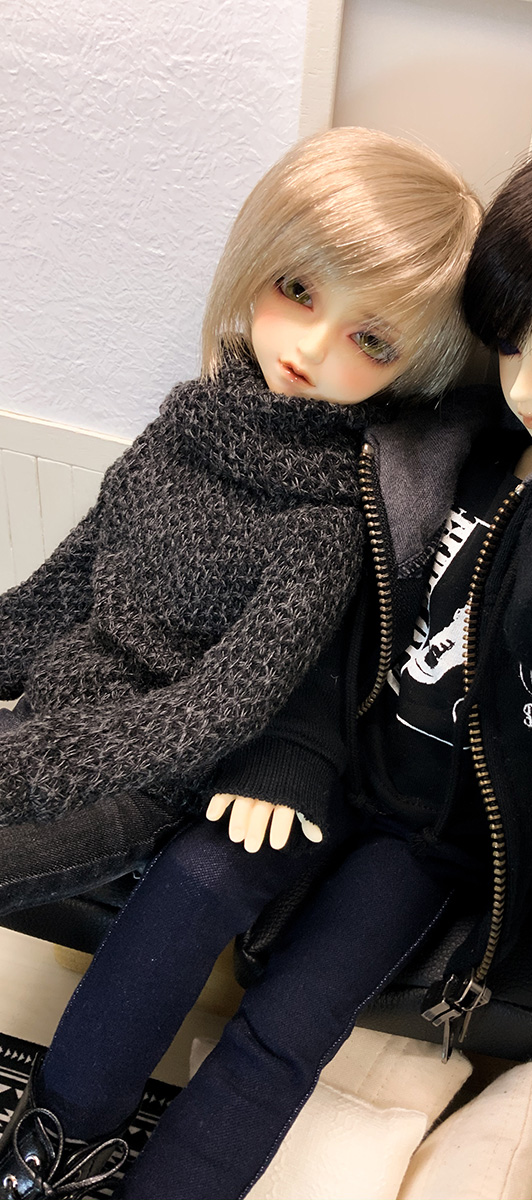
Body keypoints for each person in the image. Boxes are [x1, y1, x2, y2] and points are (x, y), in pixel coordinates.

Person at [0, 134, 532, 1200]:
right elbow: (332, 621)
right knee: (188, 890)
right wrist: (290, 755)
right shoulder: (442, 444)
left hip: (432, 840)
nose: (527, 385)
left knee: (290, 1024)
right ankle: (57, 1144)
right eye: (511, 343)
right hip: (324, 769)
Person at [0, 125, 481, 911]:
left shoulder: (324, 524)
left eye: (370, 339)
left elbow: (222, 704)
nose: (311, 346)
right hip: (50, 721)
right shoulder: (183, 429)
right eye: (298, 289)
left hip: (147, 778)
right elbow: (60, 592)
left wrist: (31, 768)